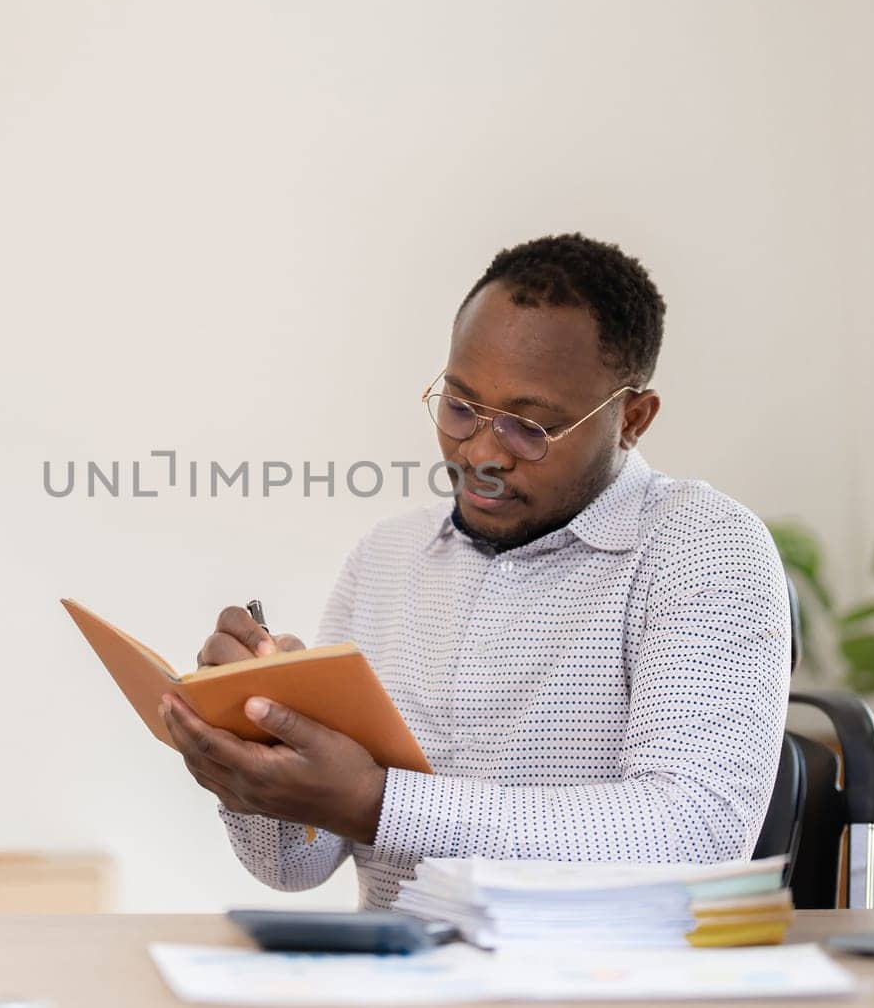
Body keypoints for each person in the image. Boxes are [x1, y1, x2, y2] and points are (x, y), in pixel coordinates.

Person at [157, 233, 790, 909]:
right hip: (398, 983)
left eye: (530, 427)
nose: (482, 452)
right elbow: (295, 866)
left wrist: (379, 800)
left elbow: (693, 835)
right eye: (460, 407)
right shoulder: (386, 559)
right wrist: (254, 749)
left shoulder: (702, 547)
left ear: (632, 418)